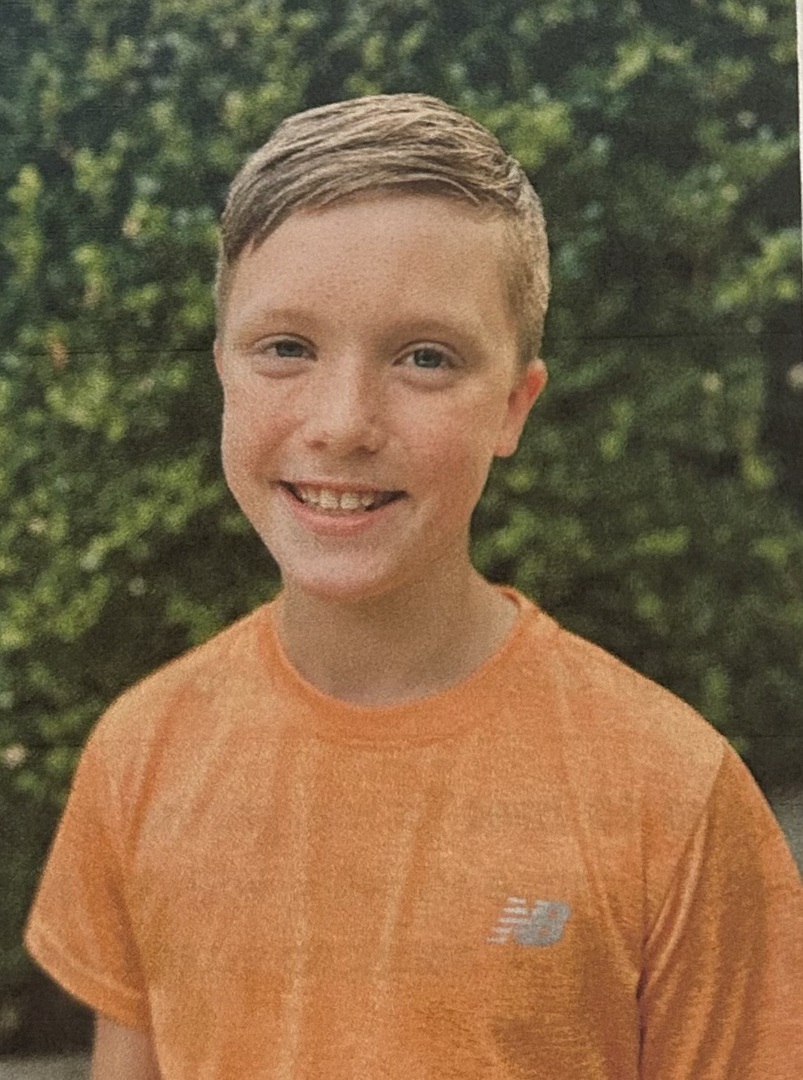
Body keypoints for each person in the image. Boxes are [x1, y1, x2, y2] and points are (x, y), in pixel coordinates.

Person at [25, 93, 801, 1080]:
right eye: (287, 348)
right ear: (223, 371)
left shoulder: (671, 795)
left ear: (511, 406)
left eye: (424, 357)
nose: (343, 422)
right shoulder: (141, 753)